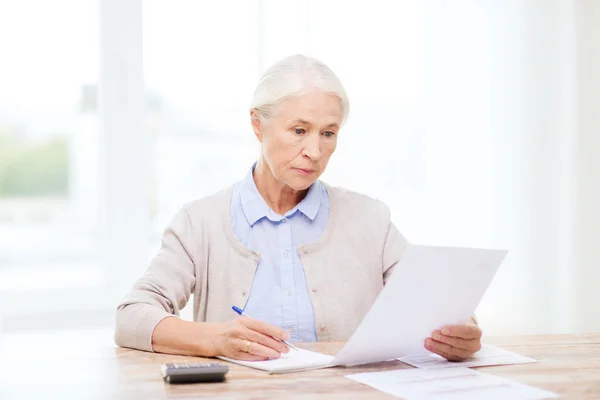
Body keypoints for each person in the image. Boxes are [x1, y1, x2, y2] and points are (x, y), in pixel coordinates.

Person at [115, 54, 482, 362]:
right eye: (299, 130)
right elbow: (132, 317)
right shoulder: (200, 222)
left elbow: (438, 303)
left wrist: (460, 331)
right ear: (257, 125)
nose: (314, 151)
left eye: (328, 132)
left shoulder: (371, 220)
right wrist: (213, 339)